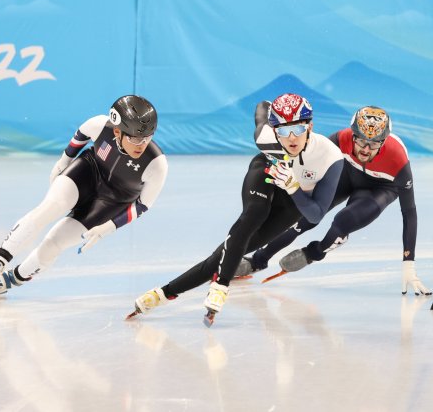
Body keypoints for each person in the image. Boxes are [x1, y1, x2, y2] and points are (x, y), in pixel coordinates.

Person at [128, 93, 344, 324]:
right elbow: (262, 107)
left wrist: (293, 186)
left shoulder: (330, 156)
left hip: (295, 200)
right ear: (274, 129)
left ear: (310, 126)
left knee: (226, 254)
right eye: (283, 130)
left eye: (298, 130)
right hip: (267, 173)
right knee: (255, 213)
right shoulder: (266, 137)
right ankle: (220, 285)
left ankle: (163, 293)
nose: (291, 138)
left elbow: (316, 214)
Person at [0, 95, 168, 297]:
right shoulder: (99, 125)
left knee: (55, 242)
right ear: (117, 131)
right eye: (135, 138)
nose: (141, 144)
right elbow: (82, 135)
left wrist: (109, 227)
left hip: (113, 201)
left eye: (147, 137)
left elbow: (143, 204)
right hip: (88, 173)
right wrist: (64, 162)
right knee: (50, 207)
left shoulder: (157, 164)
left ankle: (13, 278)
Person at [236, 106, 431, 296]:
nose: (365, 149)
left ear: (384, 141)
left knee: (343, 221)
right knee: (301, 218)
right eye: (361, 141)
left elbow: (409, 212)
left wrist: (409, 264)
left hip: (379, 188)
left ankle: (315, 252)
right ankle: (258, 260)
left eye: (374, 143)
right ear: (352, 134)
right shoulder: (340, 139)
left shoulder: (398, 160)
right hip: (347, 174)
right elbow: (310, 160)